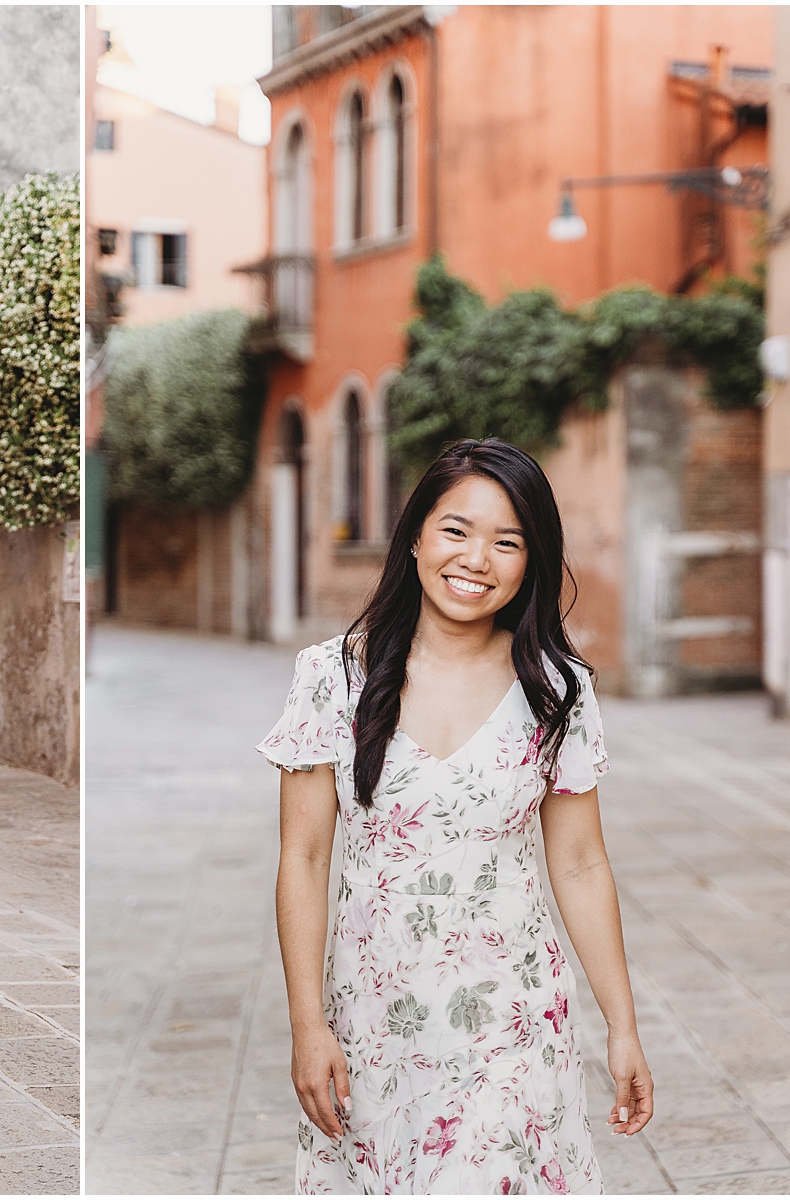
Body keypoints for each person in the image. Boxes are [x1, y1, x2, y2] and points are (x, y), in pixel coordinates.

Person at [261, 439, 652, 1194]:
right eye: (456, 530)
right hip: (376, 1020)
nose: (477, 559)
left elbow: (579, 863)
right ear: (414, 536)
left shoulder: (557, 689)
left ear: (532, 560)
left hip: (515, 1014)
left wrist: (622, 1025)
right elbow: (304, 859)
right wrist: (308, 1025)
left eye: (508, 542)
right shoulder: (332, 676)